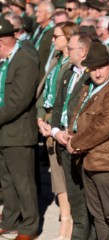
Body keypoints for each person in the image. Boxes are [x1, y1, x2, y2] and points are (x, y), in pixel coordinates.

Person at [66, 40, 109, 240]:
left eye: (101, 67)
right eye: (93, 68)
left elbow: (104, 126)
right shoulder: (88, 85)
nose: (97, 72)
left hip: (107, 163)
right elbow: (77, 114)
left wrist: (75, 142)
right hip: (87, 160)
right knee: (98, 216)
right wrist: (70, 133)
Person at [51, 33, 96, 240]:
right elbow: (59, 104)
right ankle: (79, 232)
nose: (66, 51)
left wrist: (74, 136)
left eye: (70, 48)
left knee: (87, 192)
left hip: (80, 142)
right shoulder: (68, 72)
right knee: (73, 192)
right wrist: (55, 131)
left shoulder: (92, 76)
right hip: (63, 139)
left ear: (83, 51)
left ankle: (89, 233)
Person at [36, 21, 78, 240]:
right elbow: (44, 91)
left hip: (63, 120)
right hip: (49, 118)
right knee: (57, 177)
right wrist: (40, 117)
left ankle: (71, 220)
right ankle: (65, 218)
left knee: (67, 174)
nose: (53, 40)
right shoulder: (55, 60)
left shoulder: (72, 63)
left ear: (68, 37)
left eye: (57, 36)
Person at [0, 18, 39, 240]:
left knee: (23, 183)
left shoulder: (25, 61)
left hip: (18, 132)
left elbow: (18, 101)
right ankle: (10, 219)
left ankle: (29, 226)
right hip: (3, 131)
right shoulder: (3, 61)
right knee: (7, 181)